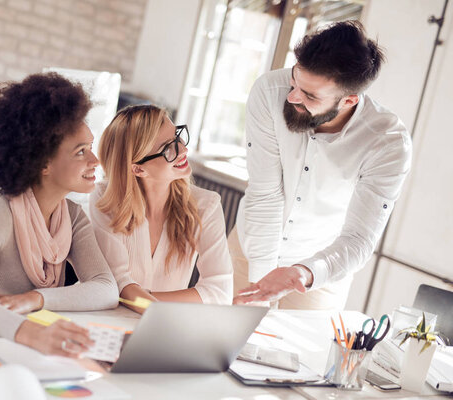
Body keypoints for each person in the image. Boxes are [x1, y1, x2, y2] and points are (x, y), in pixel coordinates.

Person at [0, 73, 118, 357]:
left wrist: (35, 299)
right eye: (81, 152)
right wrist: (31, 333)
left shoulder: (72, 215)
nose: (95, 161)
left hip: (7, 346)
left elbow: (106, 289)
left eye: (90, 148)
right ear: (43, 162)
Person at [231, 21, 412, 309]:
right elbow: (266, 194)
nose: (292, 97)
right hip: (251, 247)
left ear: (349, 100)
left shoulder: (387, 143)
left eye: (310, 96)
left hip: (320, 270)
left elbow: (358, 238)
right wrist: (261, 287)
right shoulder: (269, 91)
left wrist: (303, 273)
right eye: (294, 81)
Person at [90, 105, 233, 313]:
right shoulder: (105, 199)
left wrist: (145, 301)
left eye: (177, 136)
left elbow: (220, 291)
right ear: (138, 168)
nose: (183, 149)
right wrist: (144, 301)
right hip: (110, 319)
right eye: (168, 148)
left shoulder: (206, 205)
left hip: (166, 325)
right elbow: (117, 283)